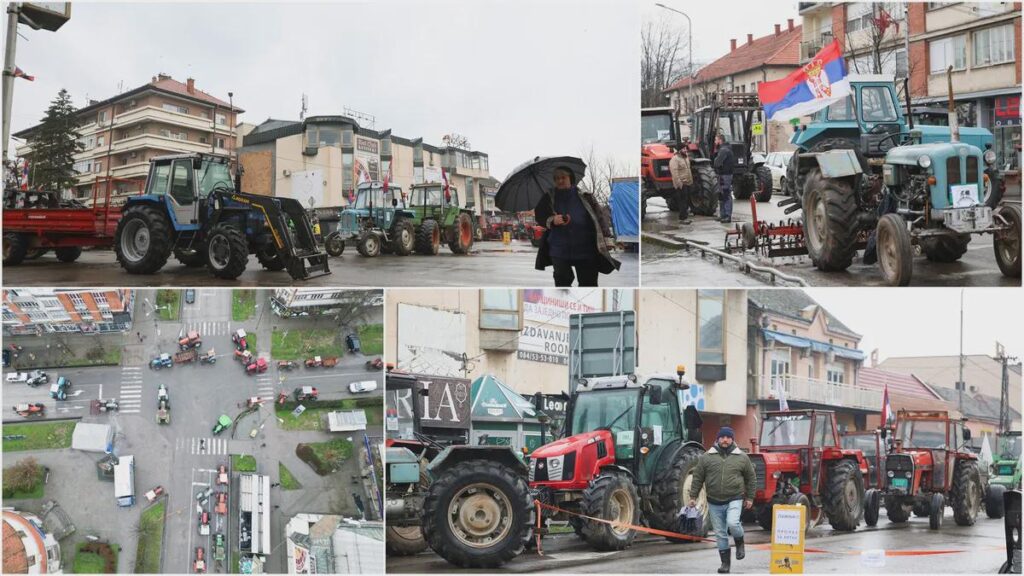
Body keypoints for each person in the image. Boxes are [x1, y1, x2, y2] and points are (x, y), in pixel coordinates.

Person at [534, 166, 620, 287]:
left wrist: (607, 239)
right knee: (562, 284)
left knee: (588, 283)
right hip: (559, 249)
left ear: (571, 178)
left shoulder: (586, 196)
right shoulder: (548, 198)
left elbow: (600, 219)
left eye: (563, 177)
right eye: (556, 178)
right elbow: (540, 216)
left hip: (585, 249)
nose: (560, 181)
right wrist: (552, 220)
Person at [688, 426, 755, 574]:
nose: (725, 440)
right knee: (720, 534)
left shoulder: (742, 457)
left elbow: (751, 478)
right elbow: (698, 477)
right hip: (714, 501)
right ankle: (725, 564)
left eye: (728, 437)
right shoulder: (706, 457)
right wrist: (693, 497)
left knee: (733, 523)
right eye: (723, 437)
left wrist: (750, 497)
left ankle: (739, 542)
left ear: (732, 439)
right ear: (718, 438)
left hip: (734, 497)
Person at [713, 133, 736, 223]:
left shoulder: (723, 150)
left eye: (716, 140)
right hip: (724, 174)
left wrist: (716, 159)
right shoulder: (726, 149)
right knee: (722, 195)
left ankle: (727, 215)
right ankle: (723, 215)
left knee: (726, 195)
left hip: (725, 175)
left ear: (720, 140)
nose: (715, 142)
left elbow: (717, 163)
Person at [669, 143, 694, 223]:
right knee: (682, 201)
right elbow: (674, 172)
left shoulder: (685, 158)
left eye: (685, 149)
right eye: (683, 149)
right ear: (679, 150)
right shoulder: (675, 159)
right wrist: (679, 183)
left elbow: (688, 169)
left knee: (686, 200)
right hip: (681, 183)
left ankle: (685, 216)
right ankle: (682, 218)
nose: (685, 150)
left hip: (687, 182)